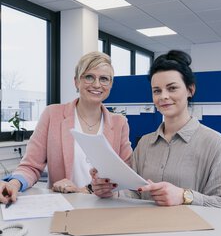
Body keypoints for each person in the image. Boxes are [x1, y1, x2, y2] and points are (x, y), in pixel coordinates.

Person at [91, 50, 221, 210]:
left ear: (190, 90)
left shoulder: (213, 143)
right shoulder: (145, 143)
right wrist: (112, 193)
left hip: (191, 232)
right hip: (145, 230)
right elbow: (136, 193)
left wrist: (185, 196)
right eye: (157, 91)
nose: (163, 96)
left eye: (172, 88)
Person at [0, 51, 132, 205]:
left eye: (104, 79)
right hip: (63, 206)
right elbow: (31, 166)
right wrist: (14, 184)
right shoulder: (52, 115)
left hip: (105, 207)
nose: (97, 84)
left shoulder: (119, 123)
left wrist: (86, 190)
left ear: (110, 85)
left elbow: (126, 175)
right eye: (89, 77)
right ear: (76, 81)